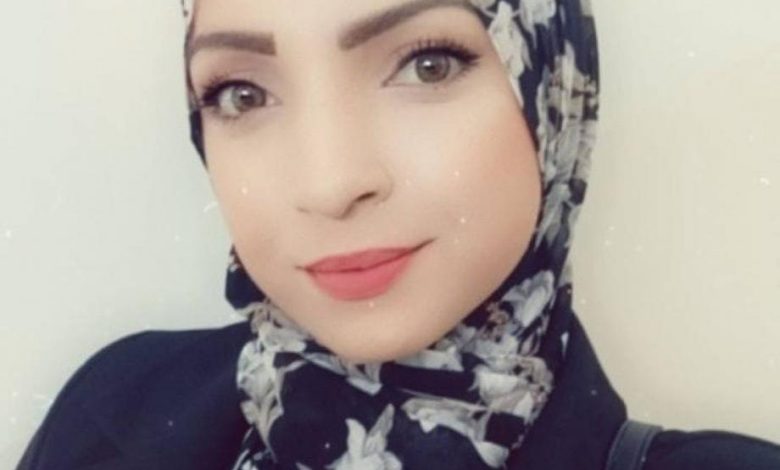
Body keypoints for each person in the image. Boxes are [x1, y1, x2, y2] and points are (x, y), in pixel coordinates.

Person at [16, 0, 780, 469]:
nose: (329, 183)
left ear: (552, 90)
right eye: (242, 93)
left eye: (428, 65)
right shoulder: (112, 406)